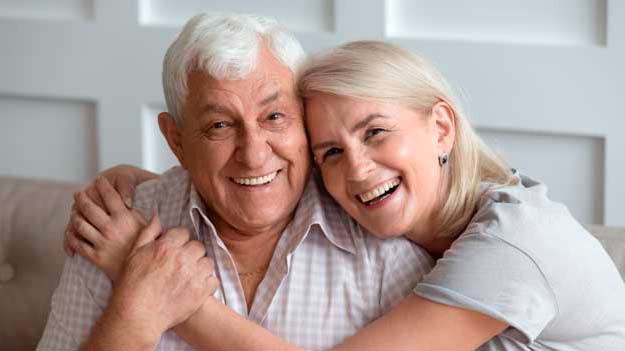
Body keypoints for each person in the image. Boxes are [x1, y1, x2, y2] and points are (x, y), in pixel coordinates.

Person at [66, 40, 625, 350]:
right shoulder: (384, 212)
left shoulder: (512, 246)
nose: (357, 170)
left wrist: (151, 283)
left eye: (376, 132)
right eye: (330, 150)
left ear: (441, 128)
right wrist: (149, 180)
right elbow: (250, 174)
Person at [37, 15, 432, 351]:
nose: (254, 154)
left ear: (306, 123)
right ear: (177, 141)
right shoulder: (113, 227)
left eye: (274, 116)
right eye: (220, 125)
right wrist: (132, 316)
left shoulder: (376, 226)